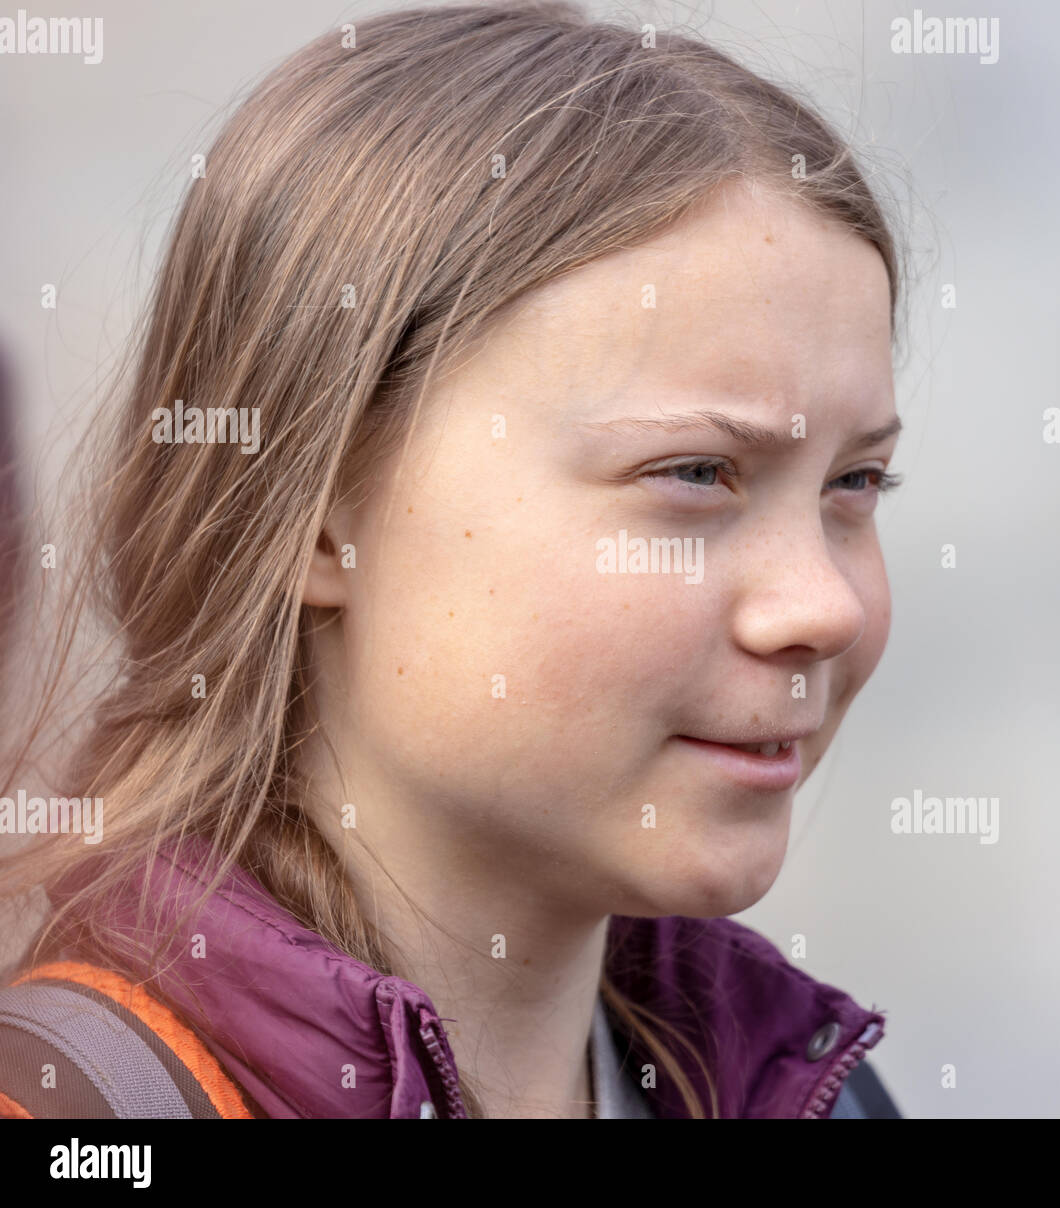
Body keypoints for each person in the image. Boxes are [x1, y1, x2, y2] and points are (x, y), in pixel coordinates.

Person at [0, 0, 906, 1118]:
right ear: (315, 508)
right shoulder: (79, 1112)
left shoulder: (818, 1088)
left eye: (854, 484)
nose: (821, 606)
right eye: (694, 473)